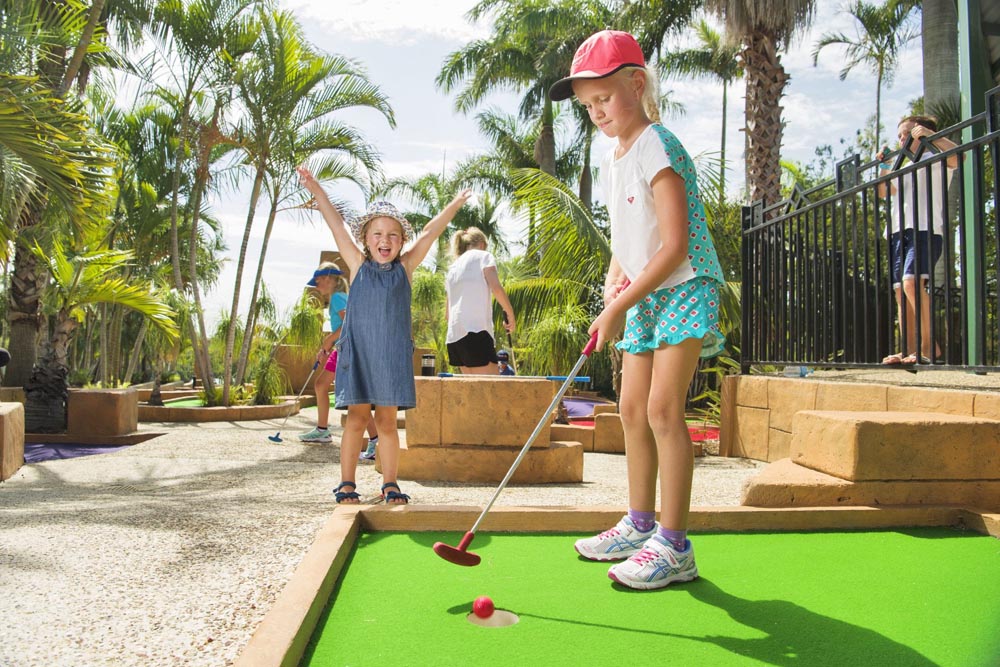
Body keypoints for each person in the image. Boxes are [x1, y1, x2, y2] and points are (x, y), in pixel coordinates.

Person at [550, 30, 725, 590]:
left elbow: (674, 245)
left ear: (637, 83)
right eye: (587, 105)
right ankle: (640, 524)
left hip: (682, 286)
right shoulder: (614, 156)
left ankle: (674, 546)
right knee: (630, 409)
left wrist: (620, 304)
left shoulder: (658, 143)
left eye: (604, 98)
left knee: (664, 412)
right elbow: (629, 239)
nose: (596, 112)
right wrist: (613, 284)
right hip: (646, 292)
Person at [297, 165, 472, 504]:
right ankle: (347, 483)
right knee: (357, 420)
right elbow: (335, 224)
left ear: (402, 241)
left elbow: (432, 232)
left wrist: (454, 204)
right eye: (377, 234)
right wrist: (316, 189)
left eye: (393, 235)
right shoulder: (357, 264)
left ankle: (390, 483)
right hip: (358, 354)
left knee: (388, 422)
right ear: (365, 239)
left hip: (391, 356)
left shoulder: (405, 268)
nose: (385, 241)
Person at [876, 115, 960, 366]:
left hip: (925, 230)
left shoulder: (934, 156)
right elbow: (883, 192)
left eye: (906, 134)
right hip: (897, 234)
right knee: (901, 291)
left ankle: (928, 346)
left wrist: (932, 137)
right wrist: (883, 164)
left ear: (920, 133)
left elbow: (959, 156)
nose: (901, 139)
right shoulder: (900, 165)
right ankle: (908, 350)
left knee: (911, 284)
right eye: (899, 135)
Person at [298, 263, 380, 460]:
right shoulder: (339, 298)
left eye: (318, 281)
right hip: (344, 348)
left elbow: (350, 324)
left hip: (350, 348)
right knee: (321, 385)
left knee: (356, 398)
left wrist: (329, 340)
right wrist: (329, 345)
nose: (317, 286)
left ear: (328, 279)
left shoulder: (337, 298)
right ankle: (323, 429)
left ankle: (375, 440)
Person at [445, 226, 515, 375]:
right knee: (492, 393)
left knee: (474, 395)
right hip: (475, 332)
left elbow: (447, 314)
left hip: (454, 339)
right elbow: (496, 287)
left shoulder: (453, 268)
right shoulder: (483, 256)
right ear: (482, 244)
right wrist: (510, 313)